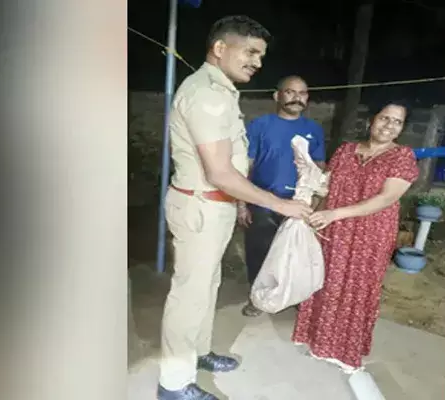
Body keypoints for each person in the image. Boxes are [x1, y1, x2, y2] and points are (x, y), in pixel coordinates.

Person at [158, 16, 312, 400]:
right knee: (189, 296)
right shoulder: (207, 95)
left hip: (215, 206)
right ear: (220, 48)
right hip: (201, 207)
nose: (257, 62)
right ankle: (173, 384)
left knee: (207, 286)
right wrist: (280, 204)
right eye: (251, 52)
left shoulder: (222, 92)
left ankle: (198, 352)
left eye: (261, 55)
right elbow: (220, 172)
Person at [291, 102, 420, 373]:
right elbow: (327, 188)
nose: (389, 125)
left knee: (357, 288)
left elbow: (386, 198)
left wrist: (335, 214)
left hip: (371, 234)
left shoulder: (402, 157)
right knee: (327, 281)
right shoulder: (346, 150)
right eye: (384, 118)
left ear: (401, 129)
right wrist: (310, 203)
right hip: (334, 229)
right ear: (372, 120)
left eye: (397, 122)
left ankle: (345, 351)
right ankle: (319, 342)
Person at [238, 76, 326, 317]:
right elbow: (246, 165)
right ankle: (258, 298)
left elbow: (318, 166)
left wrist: (317, 202)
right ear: (277, 96)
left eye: (302, 93)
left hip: (300, 203)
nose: (297, 98)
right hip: (263, 201)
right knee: (260, 251)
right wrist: (241, 204)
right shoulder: (259, 125)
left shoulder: (313, 129)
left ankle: (294, 295)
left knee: (296, 253)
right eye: (290, 92)